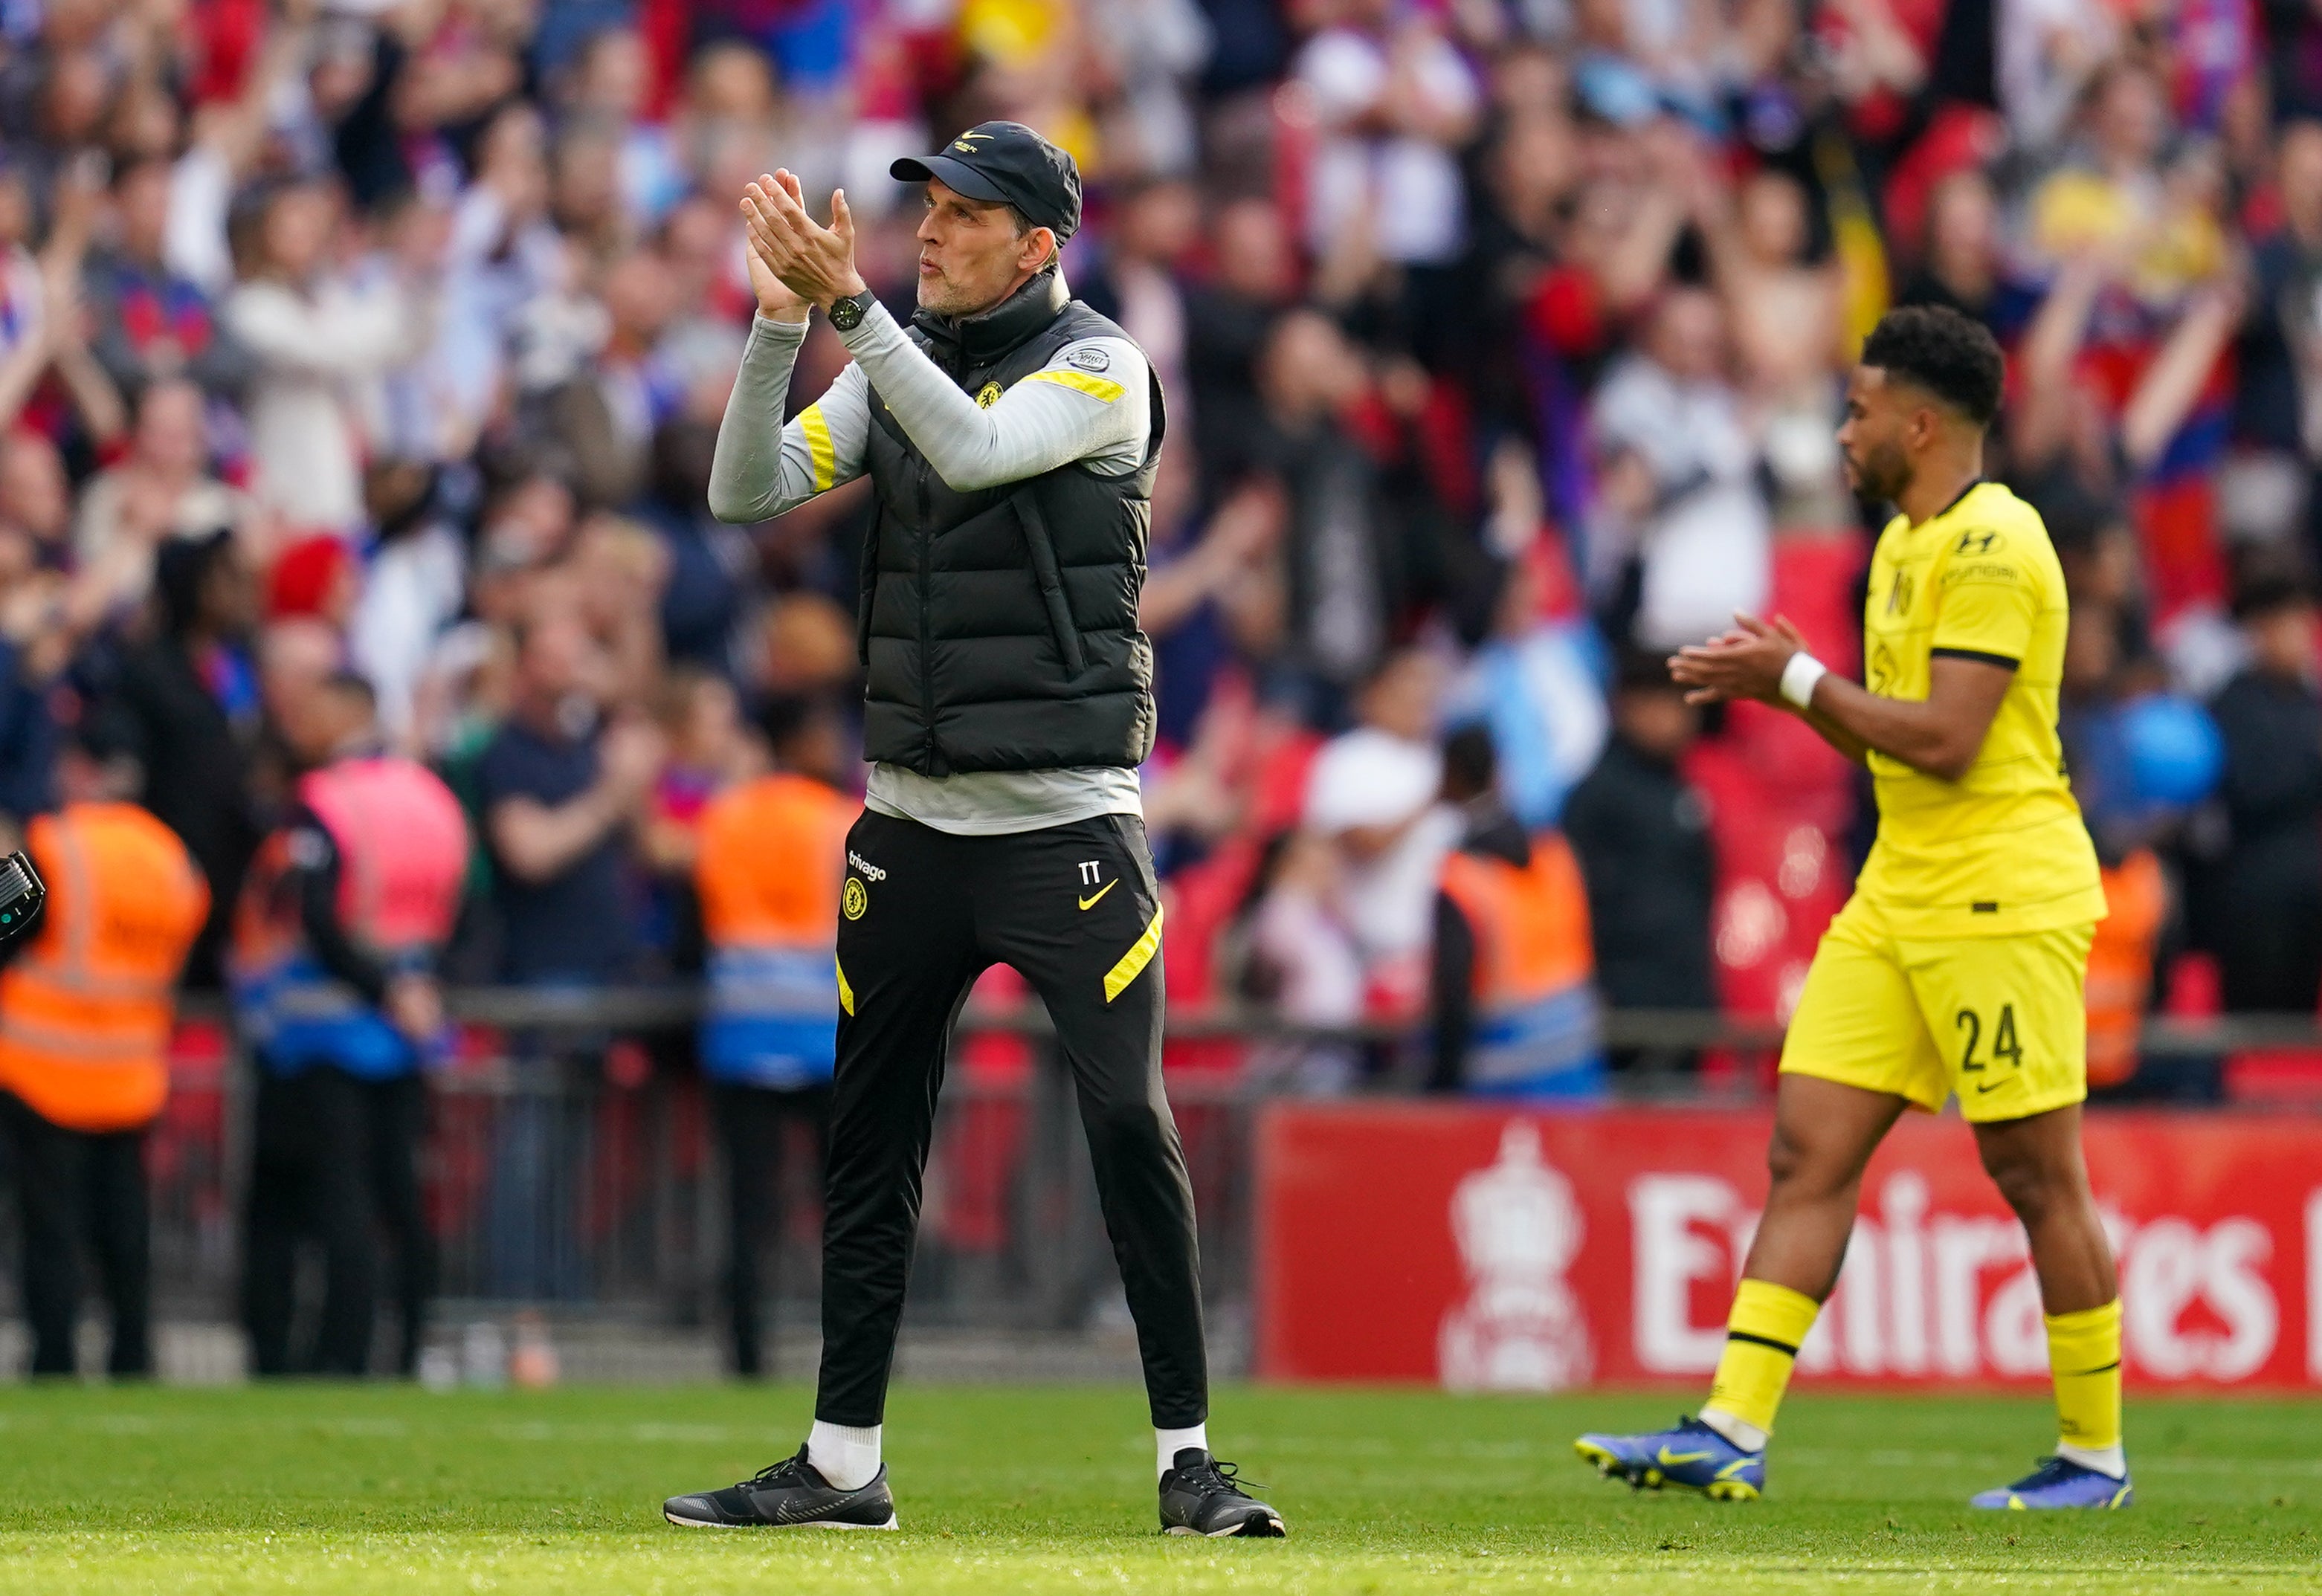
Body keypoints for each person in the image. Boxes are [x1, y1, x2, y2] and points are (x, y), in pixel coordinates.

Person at [663, 122, 1280, 1537]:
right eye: (923, 210)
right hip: (910, 828)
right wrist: (776, 331)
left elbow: (982, 448)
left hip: (1066, 824)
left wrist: (848, 313)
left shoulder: (1098, 364)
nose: (928, 233)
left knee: (1128, 1123)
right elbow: (743, 490)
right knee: (868, 1137)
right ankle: (837, 1464)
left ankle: (1190, 1459)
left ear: (1039, 244)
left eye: (961, 214)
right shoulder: (894, 362)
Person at [1576, 306, 2129, 1511]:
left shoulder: (1992, 545)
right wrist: (1790, 690)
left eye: (1858, 410)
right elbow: (1875, 721)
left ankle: (2092, 1454)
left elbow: (1944, 737)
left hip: (1998, 893)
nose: (1839, 432)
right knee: (1804, 1149)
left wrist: (1795, 678)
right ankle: (1730, 1426)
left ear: (1919, 424)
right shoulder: (1899, 545)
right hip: (1897, 895)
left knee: (2035, 1175)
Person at [232, 673, 467, 1376]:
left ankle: (338, 1353)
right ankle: (407, 1350)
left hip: (323, 1032)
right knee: (401, 1196)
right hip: (404, 1029)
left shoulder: (323, 802)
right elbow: (465, 910)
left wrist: (385, 987)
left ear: (350, 712)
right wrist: (420, 987)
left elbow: (313, 917)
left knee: (339, 1204)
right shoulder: (435, 798)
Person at [0, 717, 208, 1376]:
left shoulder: (51, 846)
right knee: (125, 1229)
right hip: (132, 1071)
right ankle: (132, 1353)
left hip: (44, 1071)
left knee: (51, 1231)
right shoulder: (173, 858)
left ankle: (56, 1355)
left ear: (81, 768)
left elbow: (2, 920)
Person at [693, 696, 852, 1377]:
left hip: (743, 1030)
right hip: (826, 1036)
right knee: (847, 1209)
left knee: (747, 1209)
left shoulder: (723, 818)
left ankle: (747, 1352)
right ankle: (858, 1358)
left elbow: (691, 920)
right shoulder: (843, 821)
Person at [1561, 648, 1719, 1076]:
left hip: (1686, 997)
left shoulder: (1681, 787)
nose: (1682, 718)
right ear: (1628, 706)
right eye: (1669, 702)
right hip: (1625, 1007)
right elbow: (1574, 903)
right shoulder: (1595, 798)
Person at [1426, 725, 1601, 1099]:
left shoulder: (1460, 876)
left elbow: (1453, 992)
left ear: (1449, 776)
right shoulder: (1555, 855)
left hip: (1500, 1077)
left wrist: (1440, 1086)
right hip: (1575, 1064)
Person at [2205, 567, 2322, 1015]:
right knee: (2255, 1012)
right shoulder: (2234, 703)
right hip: (2255, 887)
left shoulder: (2307, 700)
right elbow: (2247, 787)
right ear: (2260, 630)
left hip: (2308, 883)